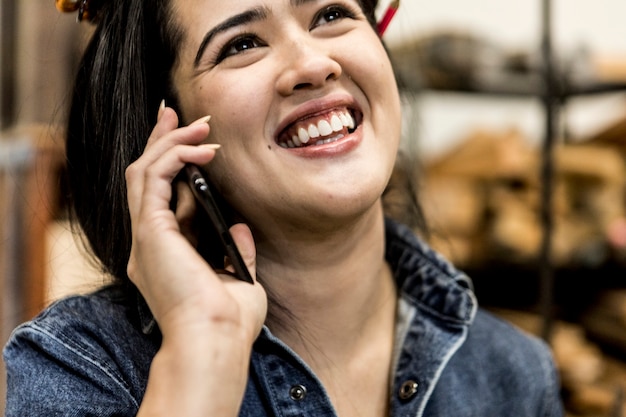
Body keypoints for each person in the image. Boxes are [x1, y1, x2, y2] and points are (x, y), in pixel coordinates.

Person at [3, 0, 564, 415]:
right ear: (166, 132)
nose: (314, 65)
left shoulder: (513, 373)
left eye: (331, 14)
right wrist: (206, 342)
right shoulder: (81, 370)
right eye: (241, 45)